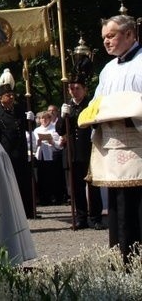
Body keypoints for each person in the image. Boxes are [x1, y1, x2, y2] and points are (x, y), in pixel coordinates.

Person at [81, 14, 142, 261]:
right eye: (104, 37)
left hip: (137, 144)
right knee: (117, 206)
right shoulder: (107, 70)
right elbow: (96, 103)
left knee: (137, 205)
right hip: (113, 145)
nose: (106, 42)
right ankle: (121, 259)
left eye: (111, 36)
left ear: (129, 34)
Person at [60, 77, 104, 229]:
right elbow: (61, 130)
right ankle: (81, 217)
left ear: (85, 90)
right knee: (77, 187)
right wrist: (62, 116)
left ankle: (96, 217)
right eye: (72, 88)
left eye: (77, 88)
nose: (74, 91)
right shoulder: (68, 106)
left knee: (93, 186)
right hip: (73, 152)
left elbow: (97, 125)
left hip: (89, 149)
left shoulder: (90, 105)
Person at [0, 84, 36, 219]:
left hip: (21, 151)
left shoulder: (20, 110)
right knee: (10, 182)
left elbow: (28, 129)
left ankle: (29, 210)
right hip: (7, 152)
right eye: (8, 95)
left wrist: (31, 120)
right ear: (0, 98)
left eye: (12, 95)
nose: (11, 97)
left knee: (25, 181)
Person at [32, 110, 64, 206]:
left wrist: (53, 142)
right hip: (41, 156)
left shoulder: (54, 129)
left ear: (50, 119)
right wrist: (37, 144)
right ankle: (44, 199)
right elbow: (33, 146)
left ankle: (55, 198)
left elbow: (60, 145)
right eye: (42, 118)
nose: (44, 120)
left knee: (53, 178)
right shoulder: (36, 130)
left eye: (46, 118)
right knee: (41, 178)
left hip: (52, 156)